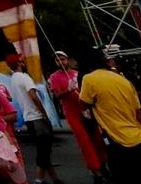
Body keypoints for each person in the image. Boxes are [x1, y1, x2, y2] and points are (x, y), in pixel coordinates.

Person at [79, 47, 141, 184]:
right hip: (139, 137)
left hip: (116, 139)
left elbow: (83, 104)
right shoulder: (123, 80)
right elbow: (138, 110)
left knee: (123, 177)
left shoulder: (89, 79)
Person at [48, 51, 106, 183]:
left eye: (63, 59)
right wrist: (68, 90)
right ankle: (96, 171)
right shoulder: (54, 77)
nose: (61, 62)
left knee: (97, 138)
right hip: (72, 113)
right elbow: (56, 96)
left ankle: (103, 166)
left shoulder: (77, 73)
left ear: (68, 60)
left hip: (86, 110)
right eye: (58, 60)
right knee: (84, 142)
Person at [7, 54, 58, 184]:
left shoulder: (13, 79)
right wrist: (44, 114)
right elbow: (33, 96)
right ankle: (39, 179)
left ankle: (54, 178)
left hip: (28, 118)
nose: (23, 61)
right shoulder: (24, 77)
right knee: (43, 150)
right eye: (21, 60)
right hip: (36, 117)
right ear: (18, 63)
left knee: (44, 149)